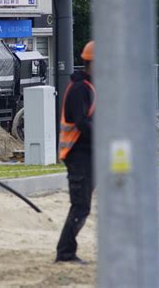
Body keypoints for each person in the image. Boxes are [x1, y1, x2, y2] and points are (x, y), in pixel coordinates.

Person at [55, 41, 96, 264]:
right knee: (80, 205)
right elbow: (82, 123)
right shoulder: (80, 89)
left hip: (89, 154)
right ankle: (65, 253)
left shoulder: (91, 87)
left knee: (84, 205)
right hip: (78, 155)